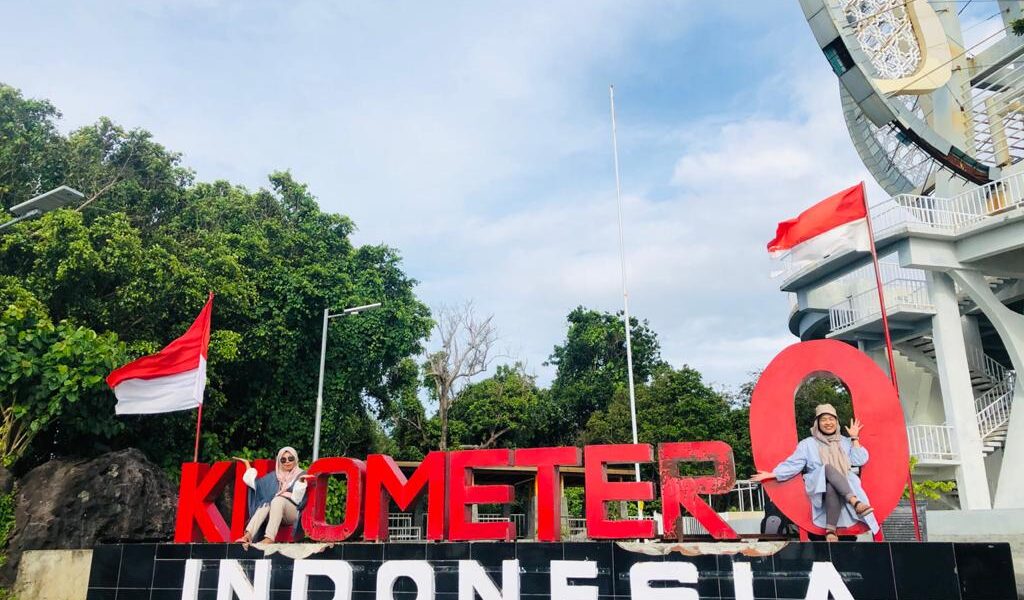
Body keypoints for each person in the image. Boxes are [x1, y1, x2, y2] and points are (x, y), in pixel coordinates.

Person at [751, 403, 878, 541]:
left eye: (831, 419)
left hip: (844, 485)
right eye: (824, 419)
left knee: (831, 485)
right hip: (818, 486)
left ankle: (830, 530)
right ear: (817, 423)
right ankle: (856, 503)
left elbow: (859, 460)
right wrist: (773, 474)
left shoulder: (845, 442)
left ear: (836, 421)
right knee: (827, 468)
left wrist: (854, 438)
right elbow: (794, 463)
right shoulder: (808, 444)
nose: (828, 423)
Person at [233, 447, 311, 547]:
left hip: (294, 512)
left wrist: (300, 483)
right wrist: (247, 464)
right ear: (279, 461)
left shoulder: (301, 475)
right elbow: (257, 485)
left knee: (278, 500)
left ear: (295, 459)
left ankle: (269, 538)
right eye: (283, 460)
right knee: (266, 503)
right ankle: (248, 535)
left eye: (290, 458)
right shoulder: (275, 476)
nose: (287, 462)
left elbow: (297, 500)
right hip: (276, 513)